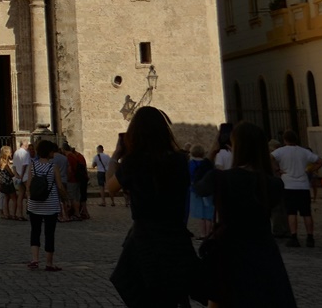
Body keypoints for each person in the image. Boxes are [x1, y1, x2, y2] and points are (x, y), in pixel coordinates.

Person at [192, 121, 298, 308]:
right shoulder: (273, 184)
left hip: (229, 252)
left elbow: (198, 185)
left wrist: (212, 152)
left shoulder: (221, 178)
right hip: (263, 252)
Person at [109, 107, 196, 306]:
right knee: (174, 295)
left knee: (143, 294)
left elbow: (110, 187)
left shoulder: (134, 162)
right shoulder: (180, 160)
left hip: (145, 239)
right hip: (175, 237)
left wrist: (116, 156)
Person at [25, 140, 63, 271]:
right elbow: (59, 185)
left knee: (35, 232)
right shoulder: (53, 167)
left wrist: (29, 198)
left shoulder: (32, 165)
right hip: (50, 204)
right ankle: (49, 263)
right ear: (49, 152)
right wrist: (65, 197)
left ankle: (35, 260)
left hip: (34, 204)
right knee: (49, 233)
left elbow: (28, 185)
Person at [188, 144, 215, 239]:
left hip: (196, 190)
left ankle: (203, 234)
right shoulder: (208, 163)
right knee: (209, 213)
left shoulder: (190, 164)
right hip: (208, 189)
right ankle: (209, 233)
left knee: (200, 214)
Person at [65, 143, 89, 220]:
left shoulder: (70, 157)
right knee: (80, 196)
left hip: (73, 179)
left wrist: (68, 178)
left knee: (73, 197)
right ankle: (83, 212)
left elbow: (70, 169)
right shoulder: (80, 156)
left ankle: (78, 213)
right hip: (82, 178)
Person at [11, 139, 31, 218]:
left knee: (20, 195)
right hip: (25, 176)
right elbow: (25, 165)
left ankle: (19, 214)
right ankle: (30, 211)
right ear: (25, 145)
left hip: (18, 176)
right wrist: (22, 175)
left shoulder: (16, 152)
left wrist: (17, 175)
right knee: (29, 193)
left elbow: (14, 166)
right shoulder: (26, 153)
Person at [93, 144, 115, 208]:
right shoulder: (107, 156)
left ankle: (103, 202)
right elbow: (110, 163)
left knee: (101, 188)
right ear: (103, 149)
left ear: (98, 150)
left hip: (100, 172)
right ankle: (112, 201)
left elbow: (93, 165)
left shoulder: (96, 157)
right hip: (107, 172)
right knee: (109, 187)